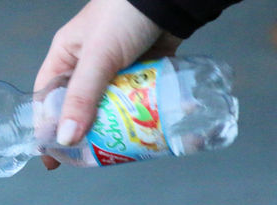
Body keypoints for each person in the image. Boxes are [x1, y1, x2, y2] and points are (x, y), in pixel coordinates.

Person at [35, 0, 242, 169]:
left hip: (198, 83)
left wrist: (150, 6)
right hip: (199, 97)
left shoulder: (57, 106)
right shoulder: (68, 152)